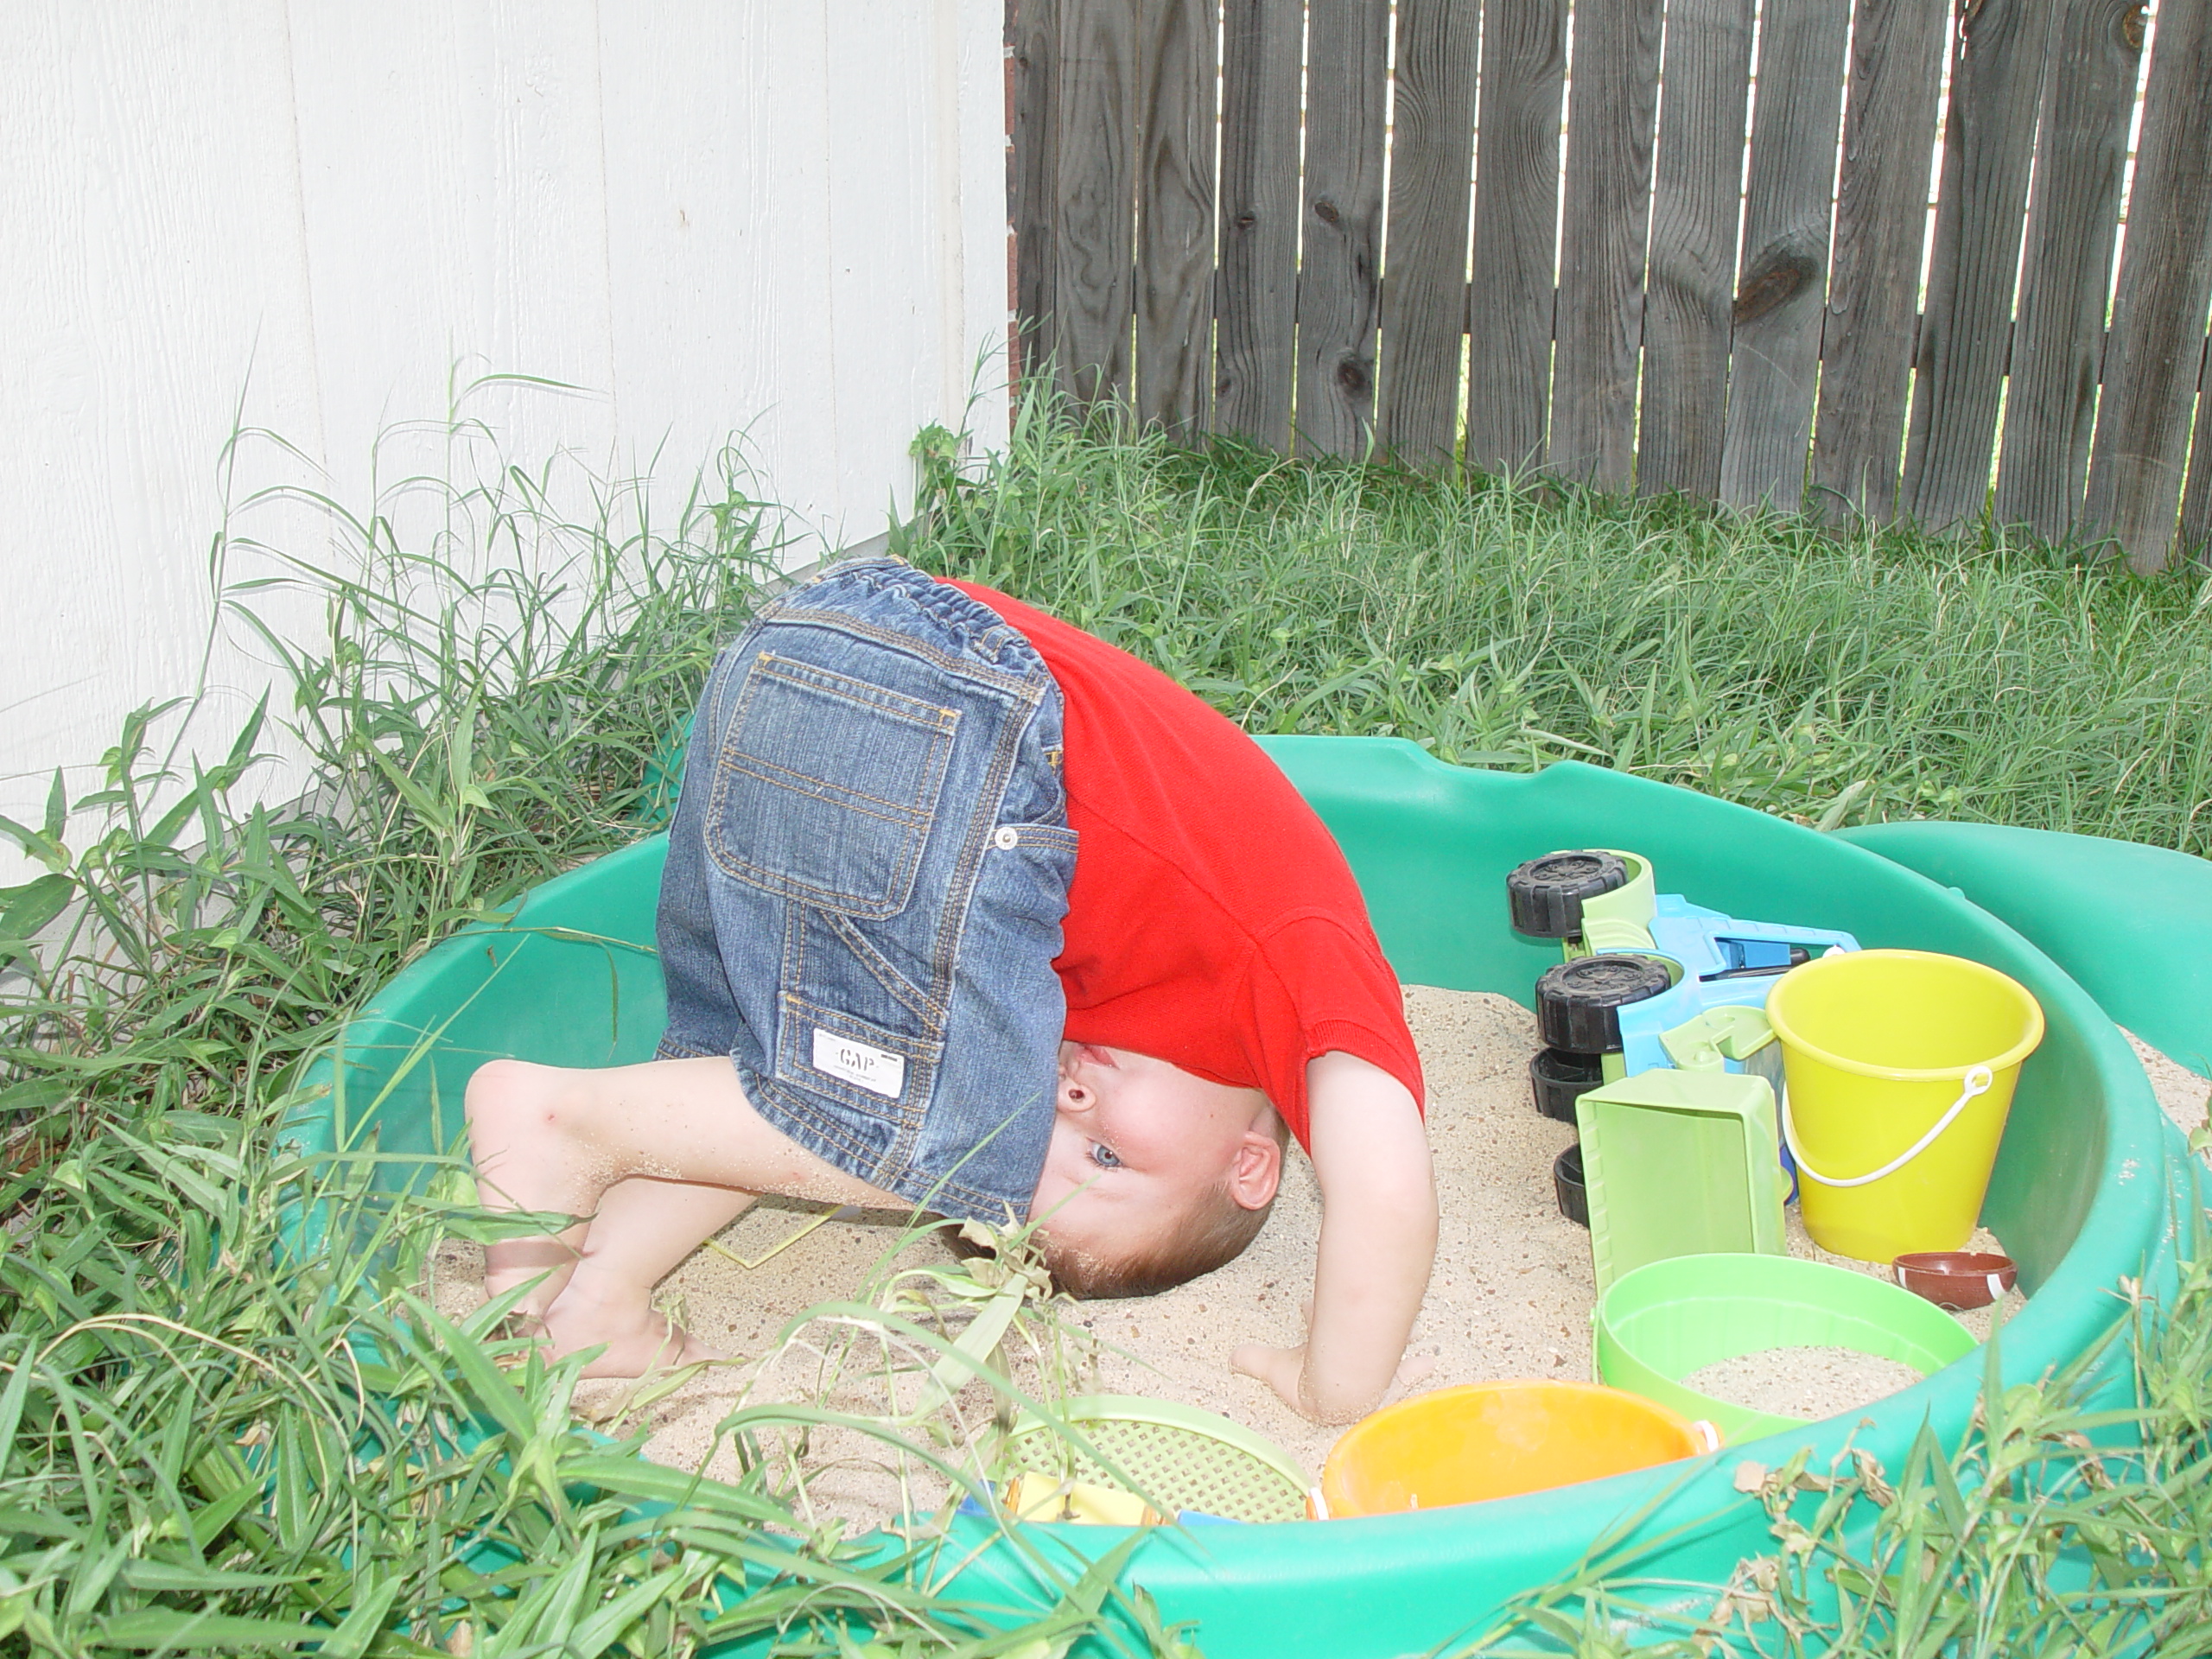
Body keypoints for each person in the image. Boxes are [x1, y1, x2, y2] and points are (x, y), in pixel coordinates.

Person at [466, 556, 1436, 1423]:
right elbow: (1387, 1192)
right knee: (942, 1132)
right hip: (954, 704)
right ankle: (559, 1119)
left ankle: (598, 1297)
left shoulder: (1095, 986)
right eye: (1101, 1153)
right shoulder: (1296, 966)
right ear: (1251, 1165)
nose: (1058, 1102)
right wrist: (1327, 1387)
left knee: (791, 1075)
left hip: (800, 651)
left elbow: (808, 1114)